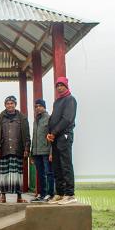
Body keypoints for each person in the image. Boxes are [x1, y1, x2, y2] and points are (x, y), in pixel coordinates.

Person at [0, 96, 31, 203]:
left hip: (18, 149)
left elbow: (27, 136)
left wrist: (27, 149)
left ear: (15, 104)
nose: (10, 105)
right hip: (4, 149)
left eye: (12, 103)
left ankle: (19, 197)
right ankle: (3, 196)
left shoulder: (22, 117)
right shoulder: (0, 117)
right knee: (3, 174)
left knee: (18, 174)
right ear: (5, 105)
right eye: (8, 103)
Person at [47, 77, 78, 205]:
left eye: (61, 85)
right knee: (57, 166)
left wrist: (53, 132)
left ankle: (70, 194)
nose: (59, 87)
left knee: (66, 165)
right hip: (55, 138)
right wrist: (50, 134)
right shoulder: (57, 101)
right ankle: (59, 193)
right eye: (57, 85)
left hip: (64, 136)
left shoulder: (70, 99)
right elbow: (54, 118)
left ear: (66, 86)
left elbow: (67, 119)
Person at [30, 98, 55, 202]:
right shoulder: (36, 120)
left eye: (40, 106)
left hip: (46, 151)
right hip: (36, 152)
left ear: (44, 107)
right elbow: (34, 137)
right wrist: (32, 153)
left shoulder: (49, 119)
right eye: (36, 106)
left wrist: (51, 152)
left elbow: (52, 137)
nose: (38, 108)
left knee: (49, 173)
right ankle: (42, 194)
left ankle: (50, 194)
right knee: (40, 174)